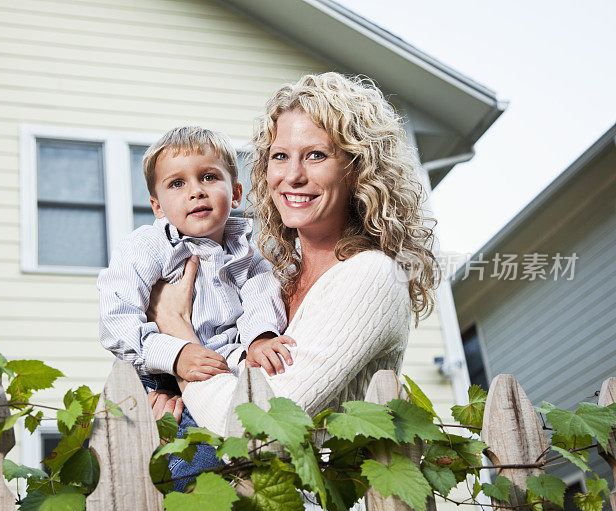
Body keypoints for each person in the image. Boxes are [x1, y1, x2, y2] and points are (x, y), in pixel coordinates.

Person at [146, 72, 440, 437]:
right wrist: (168, 396)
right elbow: (229, 375)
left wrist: (174, 328)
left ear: (357, 170)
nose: (293, 175)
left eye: (316, 155)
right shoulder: (272, 277)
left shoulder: (371, 276)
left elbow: (255, 429)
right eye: (280, 156)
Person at [96, 126, 296, 489]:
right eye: (176, 184)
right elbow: (116, 319)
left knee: (219, 463)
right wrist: (176, 355)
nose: (196, 191)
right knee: (147, 472)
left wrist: (261, 338)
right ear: (157, 205)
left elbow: (262, 298)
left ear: (235, 192)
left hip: (221, 372)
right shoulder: (148, 246)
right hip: (152, 371)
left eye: (209, 177)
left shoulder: (249, 254)